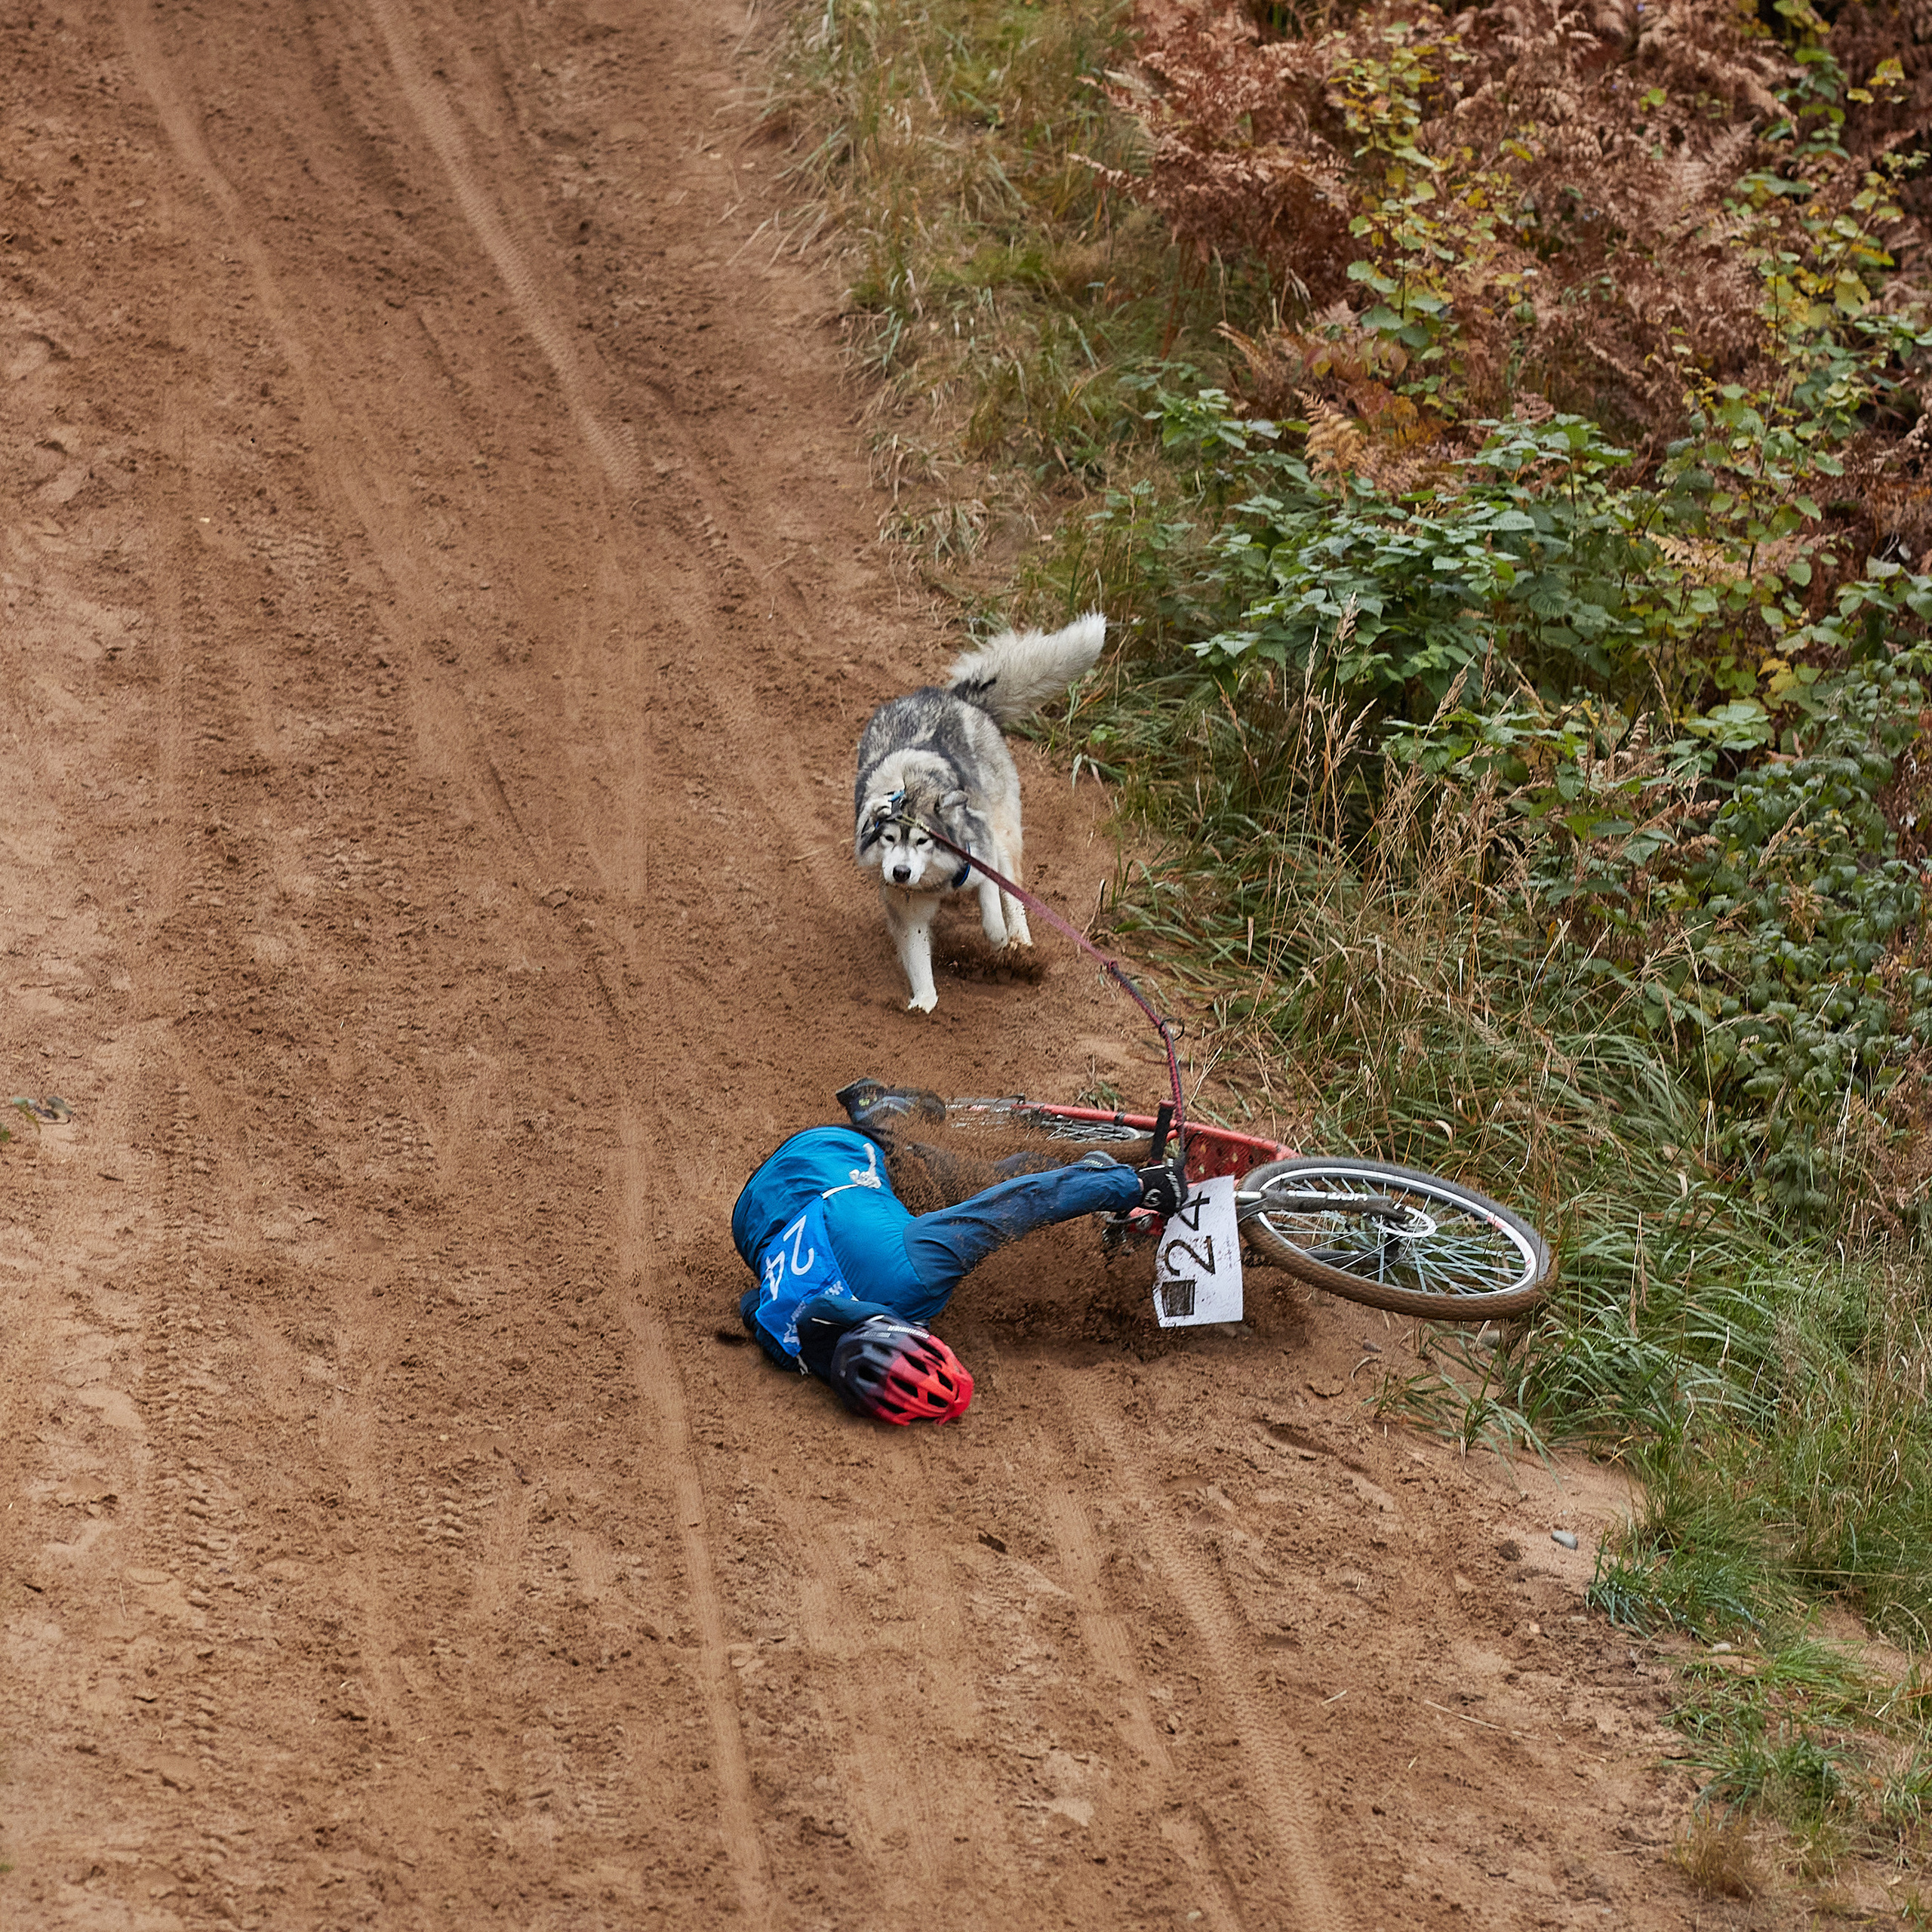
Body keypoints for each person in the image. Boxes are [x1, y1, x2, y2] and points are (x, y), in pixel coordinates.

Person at [731, 1083, 1185, 1426]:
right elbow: (751, 1304)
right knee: (922, 1199)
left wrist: (1135, 1187)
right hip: (750, 1216)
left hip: (828, 1147)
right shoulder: (785, 1347)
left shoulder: (910, 1278)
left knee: (976, 1182)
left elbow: (1015, 1207)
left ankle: (880, 1113)